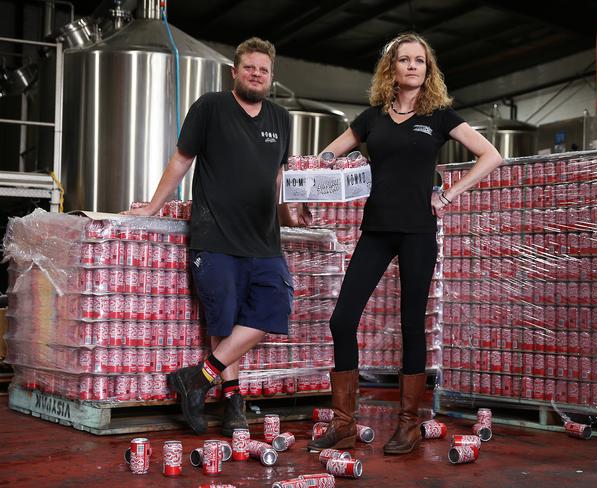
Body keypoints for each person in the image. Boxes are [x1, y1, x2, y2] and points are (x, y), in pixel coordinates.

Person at [306, 33, 502, 455]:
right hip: (375, 230)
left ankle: (409, 425)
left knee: (412, 324)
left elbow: (491, 155)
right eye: (404, 60)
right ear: (391, 68)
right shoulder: (371, 117)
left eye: (419, 61)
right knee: (342, 320)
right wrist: (312, 181)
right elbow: (326, 157)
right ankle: (343, 423)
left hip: (417, 232)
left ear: (427, 70)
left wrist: (447, 195)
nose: (412, 66)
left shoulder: (440, 115)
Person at [127, 37, 311, 436]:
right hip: (216, 236)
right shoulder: (210, 106)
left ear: (271, 77)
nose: (256, 74)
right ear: (235, 71)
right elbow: (181, 159)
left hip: (264, 240)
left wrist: (289, 212)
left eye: (263, 70)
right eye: (249, 68)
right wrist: (154, 207)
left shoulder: (282, 118)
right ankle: (233, 402)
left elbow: (278, 178)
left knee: (273, 309)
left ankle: (195, 378)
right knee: (224, 322)